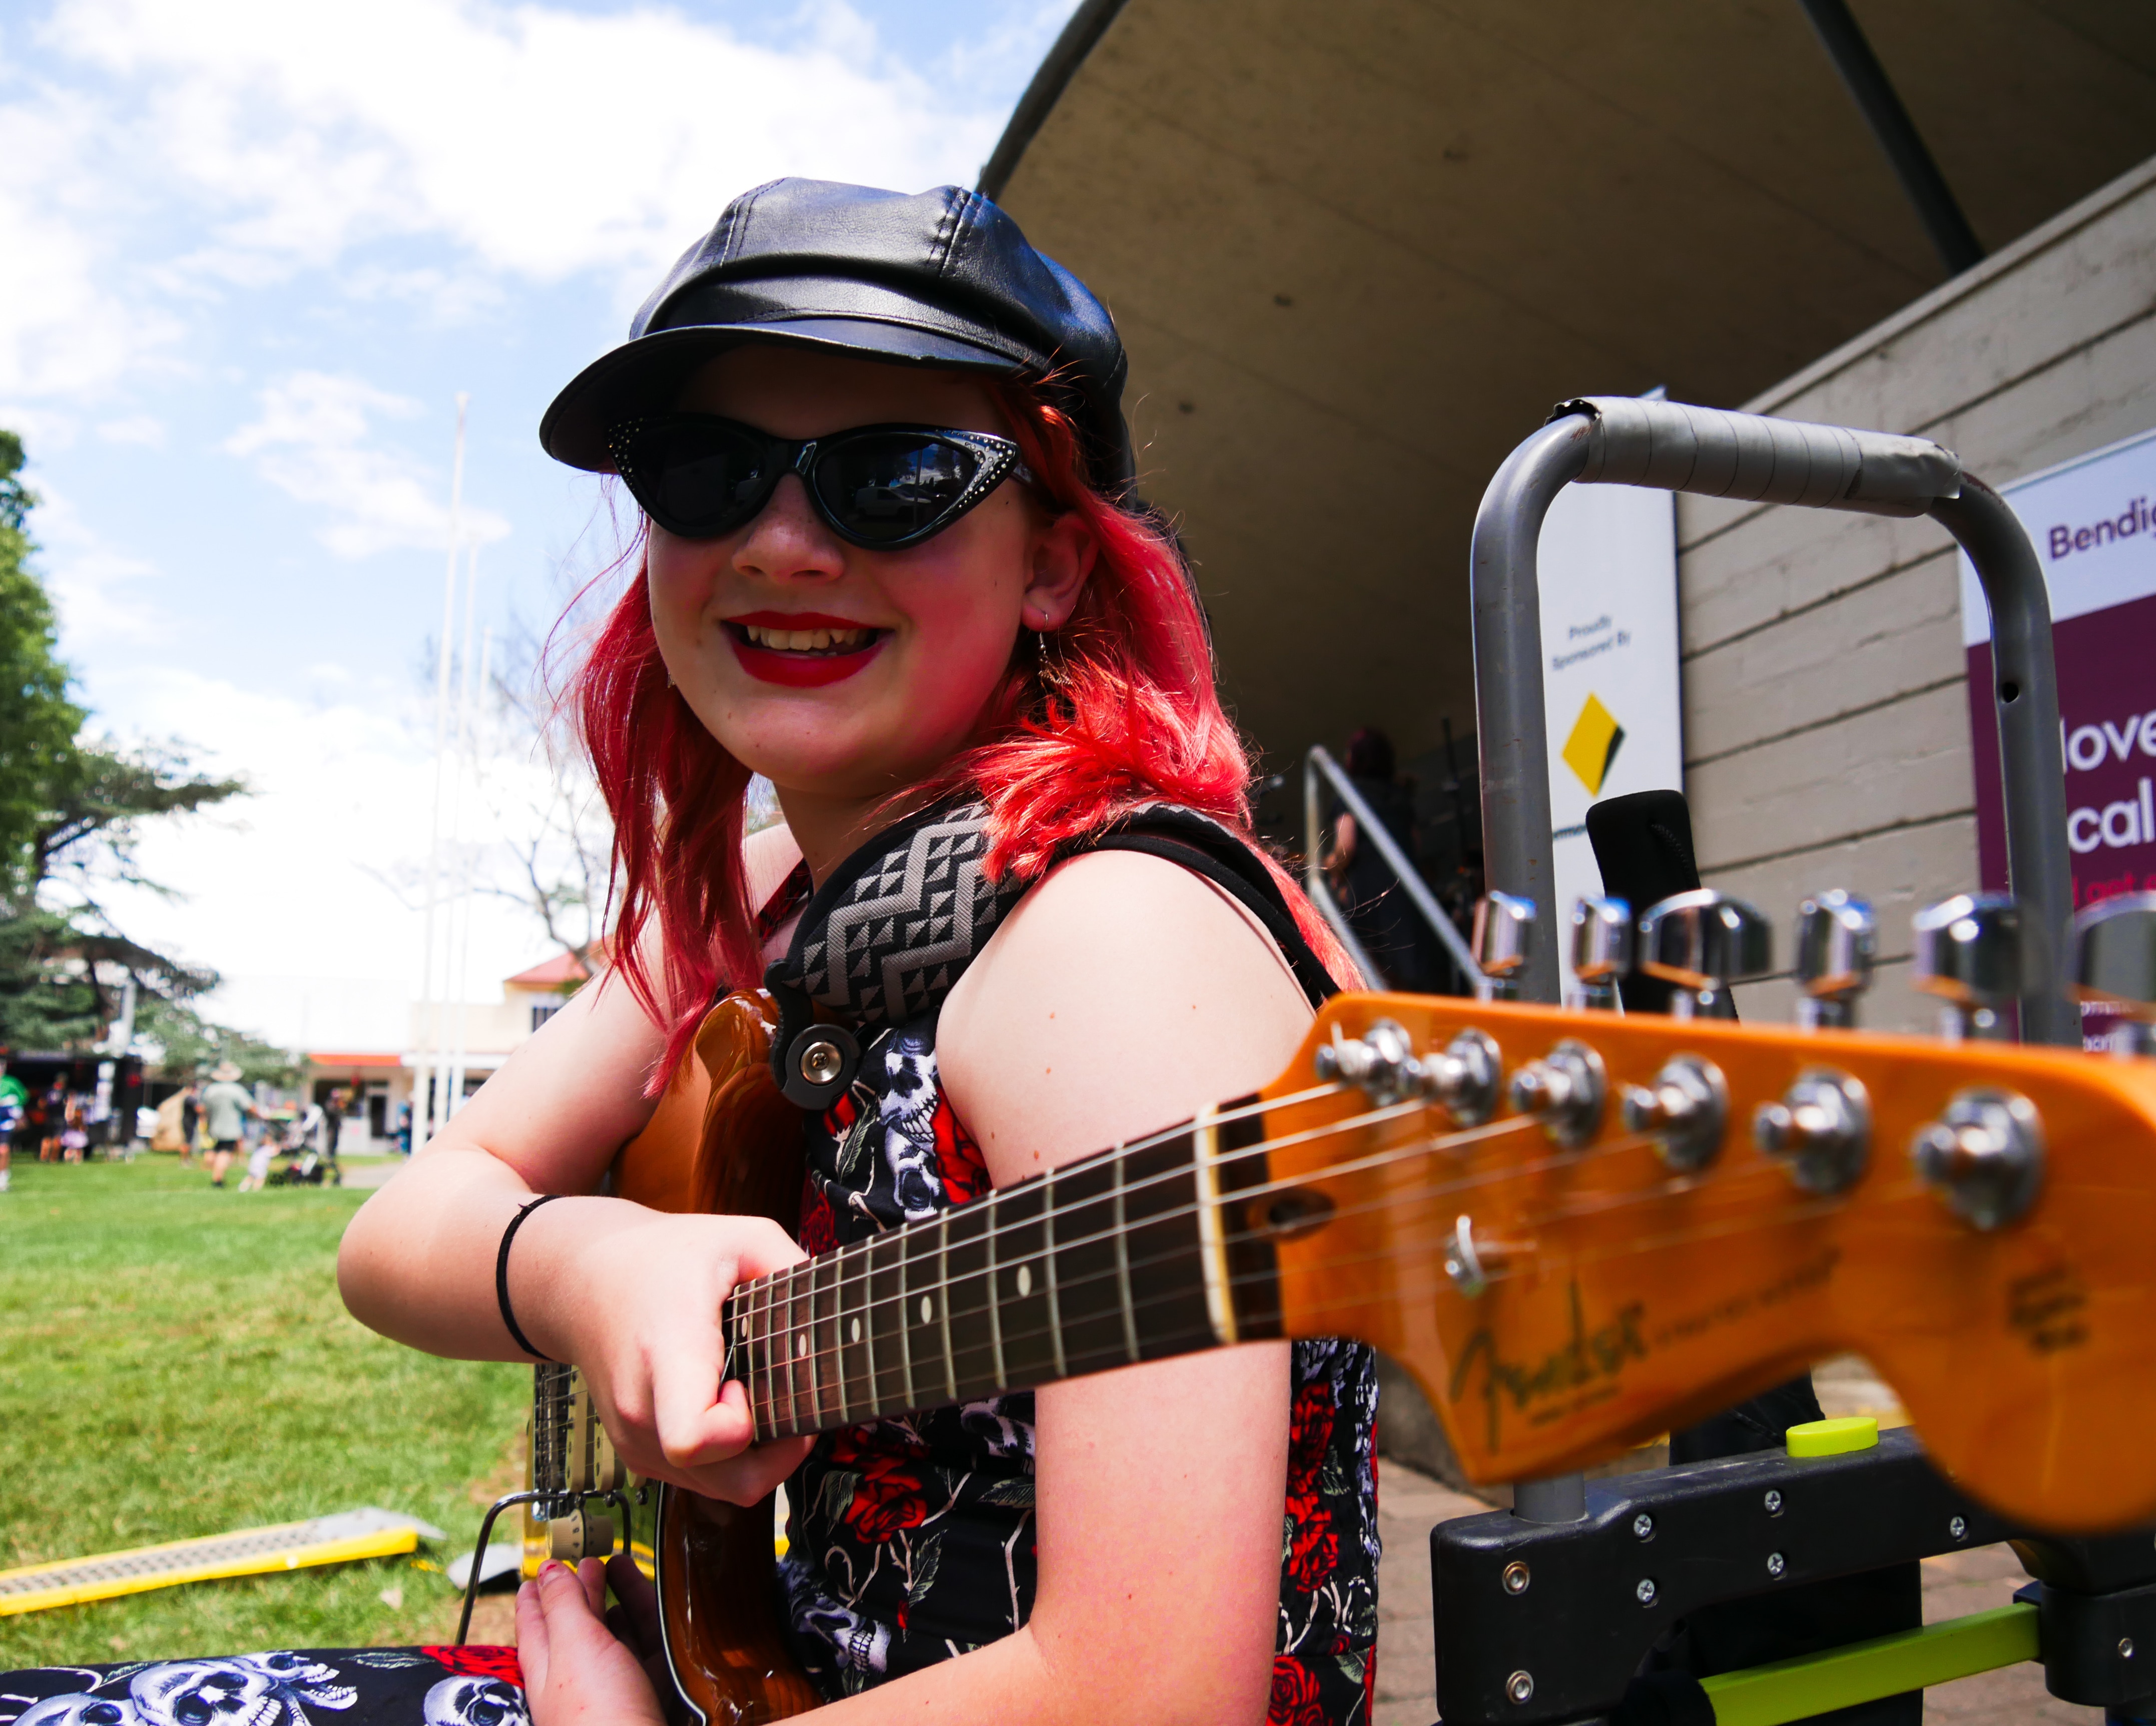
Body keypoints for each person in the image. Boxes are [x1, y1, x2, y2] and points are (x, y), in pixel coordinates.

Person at [328, 179, 1381, 1724]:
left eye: (895, 477)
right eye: (712, 472)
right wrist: (584, 1265)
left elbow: (1152, 1694)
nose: (782, 542)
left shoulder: (1110, 942)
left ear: (1053, 566)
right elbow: (401, 1226)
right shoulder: (752, 894)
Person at [1323, 726, 1446, 992]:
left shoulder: (1350, 792)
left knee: (1371, 969)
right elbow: (1416, 845)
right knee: (1410, 973)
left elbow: (1346, 847)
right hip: (1405, 893)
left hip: (1369, 894)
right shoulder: (1400, 797)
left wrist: (1328, 866)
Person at [199, 1062, 256, 1189]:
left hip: (214, 1125)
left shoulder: (211, 1090)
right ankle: (218, 1180)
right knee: (225, 1152)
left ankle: (210, 1160)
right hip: (231, 1127)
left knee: (218, 1149)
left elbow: (203, 1108)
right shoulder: (236, 1090)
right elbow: (250, 1106)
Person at [0, 1067, 22, 1192]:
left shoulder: (11, 1083)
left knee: (4, 1150)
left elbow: (22, 1096)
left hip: (5, 1123)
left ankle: (3, 1179)